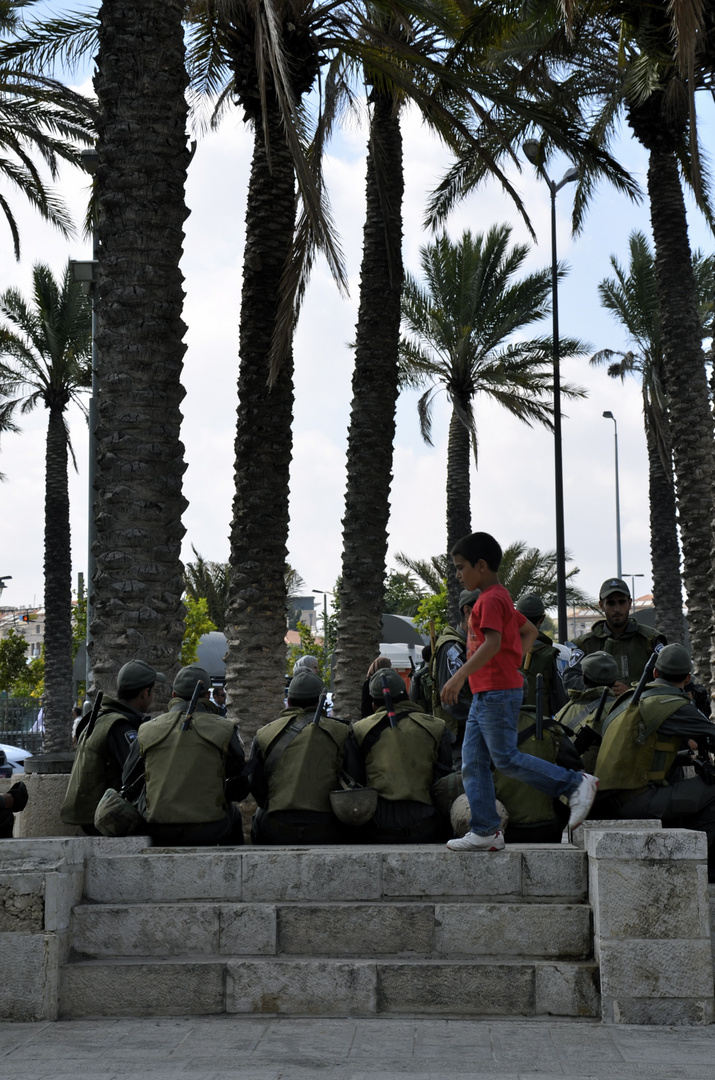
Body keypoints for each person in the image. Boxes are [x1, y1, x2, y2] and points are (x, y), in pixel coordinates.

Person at [440, 531, 598, 852]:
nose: (457, 575)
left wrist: (459, 678)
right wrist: (515, 664)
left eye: (460, 567)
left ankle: (576, 783)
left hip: (496, 692)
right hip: (490, 691)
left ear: (481, 565)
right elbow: (530, 630)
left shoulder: (489, 600)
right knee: (473, 761)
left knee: (506, 759)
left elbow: (492, 643)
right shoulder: (499, 598)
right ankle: (486, 830)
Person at [594, 643, 715, 880]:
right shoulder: (672, 705)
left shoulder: (629, 700)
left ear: (656, 673)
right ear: (688, 677)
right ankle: (696, 860)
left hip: (612, 800)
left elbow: (643, 752)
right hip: (640, 802)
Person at [121, 664, 248, 846]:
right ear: (207, 696)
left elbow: (128, 782)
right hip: (210, 829)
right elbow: (240, 789)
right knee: (233, 813)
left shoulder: (146, 730)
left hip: (156, 830)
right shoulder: (225, 729)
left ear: (174, 695)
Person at [344, 667, 453, 843]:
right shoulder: (437, 727)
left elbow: (355, 784)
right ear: (408, 696)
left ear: (373, 705)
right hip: (427, 826)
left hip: (377, 829)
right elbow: (445, 780)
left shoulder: (358, 731)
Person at [60, 659, 166, 835]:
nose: (153, 695)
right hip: (105, 817)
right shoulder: (120, 726)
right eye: (153, 691)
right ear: (145, 693)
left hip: (93, 812)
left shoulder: (104, 717)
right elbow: (139, 773)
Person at [249, 670, 349, 844]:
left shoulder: (264, 734)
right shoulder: (342, 732)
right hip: (326, 829)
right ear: (321, 702)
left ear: (288, 701)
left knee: (258, 816)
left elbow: (256, 786)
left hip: (276, 829)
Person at [564, 578, 666, 695]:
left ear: (629, 603)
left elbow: (667, 680)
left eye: (621, 602)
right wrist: (601, 689)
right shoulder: (585, 644)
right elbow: (569, 679)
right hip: (598, 710)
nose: (617, 609)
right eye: (611, 603)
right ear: (601, 605)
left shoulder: (650, 640)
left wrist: (633, 691)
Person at [429, 589, 480, 768]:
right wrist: (483, 721)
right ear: (467, 610)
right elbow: (452, 701)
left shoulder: (471, 645)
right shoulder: (453, 649)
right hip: (460, 738)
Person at [555, 651, 620, 774]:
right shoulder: (619, 710)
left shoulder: (566, 709)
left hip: (564, 783)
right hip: (598, 784)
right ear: (615, 680)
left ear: (583, 678)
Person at [516, 593, 568, 717]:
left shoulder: (498, 648)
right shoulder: (550, 655)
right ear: (542, 619)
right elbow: (560, 704)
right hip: (538, 728)